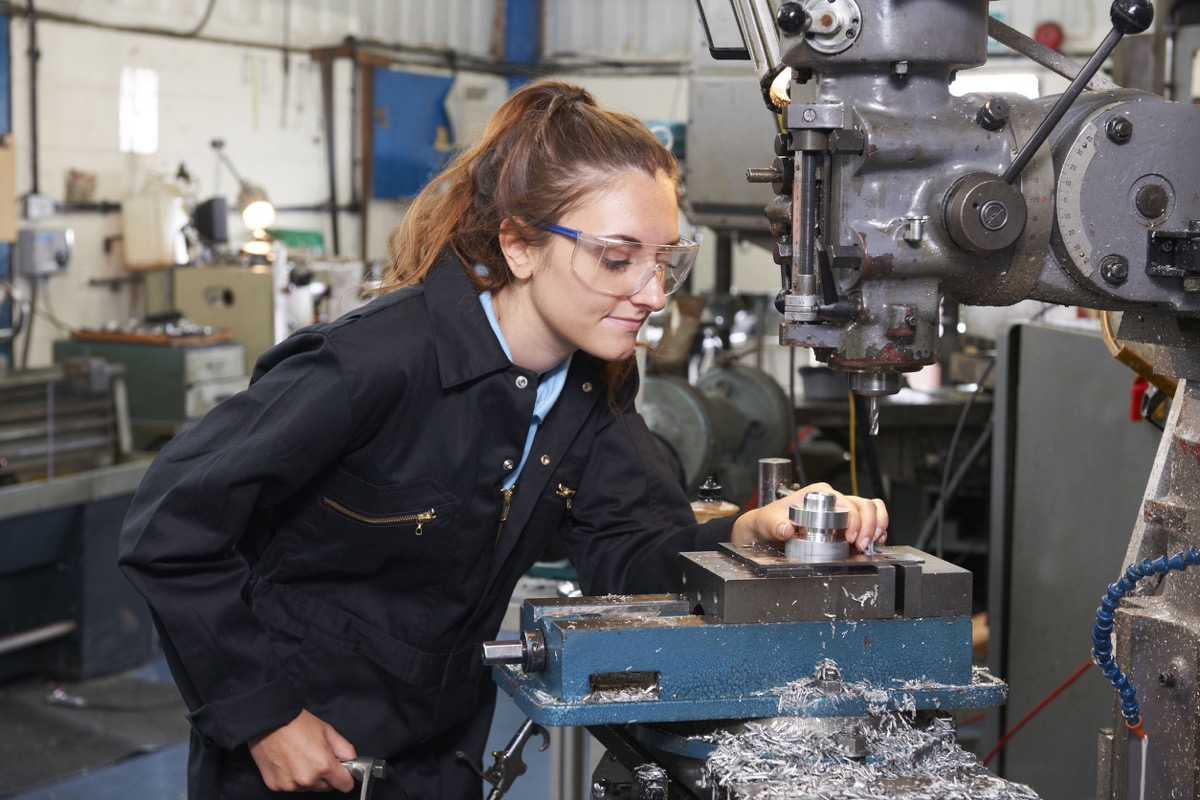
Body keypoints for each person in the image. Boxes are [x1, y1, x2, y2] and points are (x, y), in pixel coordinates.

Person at [118, 80, 888, 799]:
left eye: (665, 262)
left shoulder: (593, 388)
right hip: (298, 754)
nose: (652, 295)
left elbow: (631, 553)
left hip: (441, 751)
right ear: (521, 245)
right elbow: (170, 524)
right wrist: (264, 717)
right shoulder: (375, 364)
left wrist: (742, 534)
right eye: (618, 259)